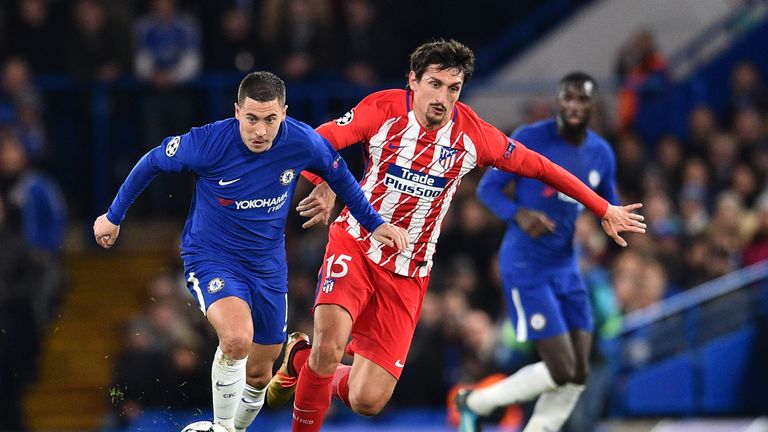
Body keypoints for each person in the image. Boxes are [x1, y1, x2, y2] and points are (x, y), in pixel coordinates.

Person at [265, 39, 646, 432]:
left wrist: (603, 207)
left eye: (453, 88)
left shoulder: (474, 136)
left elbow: (541, 167)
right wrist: (325, 181)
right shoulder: (381, 110)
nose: (442, 98)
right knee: (329, 350)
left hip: (408, 270)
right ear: (412, 81)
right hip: (357, 243)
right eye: (434, 84)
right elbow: (314, 143)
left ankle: (299, 359)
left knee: (367, 399)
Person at [92, 71, 409, 432]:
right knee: (237, 338)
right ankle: (222, 428)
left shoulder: (302, 142)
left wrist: (376, 224)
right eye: (252, 118)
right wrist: (113, 216)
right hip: (212, 257)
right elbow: (152, 162)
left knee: (260, 374)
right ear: (237, 112)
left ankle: (234, 428)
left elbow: (341, 177)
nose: (260, 130)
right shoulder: (208, 142)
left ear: (284, 114)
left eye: (270, 119)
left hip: (268, 267)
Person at [455, 72, 619, 432]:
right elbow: (488, 190)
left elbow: (610, 207)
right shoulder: (529, 139)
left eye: (583, 99)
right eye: (568, 98)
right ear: (558, 102)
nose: (574, 106)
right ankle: (475, 401)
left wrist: (603, 229)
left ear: (593, 106)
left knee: (576, 372)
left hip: (567, 266)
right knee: (561, 367)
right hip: (526, 264)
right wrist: (519, 213)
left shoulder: (600, 154)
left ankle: (492, 409)